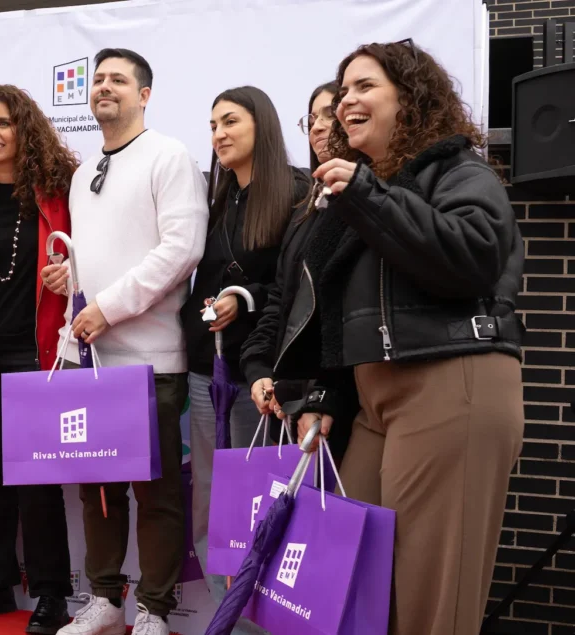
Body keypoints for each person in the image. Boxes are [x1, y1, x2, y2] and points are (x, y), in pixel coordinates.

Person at [297, 41, 523, 635]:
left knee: (430, 604)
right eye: (343, 90)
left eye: (365, 86)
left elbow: (471, 257)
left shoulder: (457, 169)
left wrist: (369, 197)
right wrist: (328, 398)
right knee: (357, 585)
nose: (348, 100)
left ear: (411, 99)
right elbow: (345, 316)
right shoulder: (370, 187)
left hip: (452, 381)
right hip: (376, 402)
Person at [43, 48, 208, 635]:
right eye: (98, 80)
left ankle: (155, 610)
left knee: (157, 493)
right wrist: (73, 279)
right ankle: (106, 600)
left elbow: (181, 251)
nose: (104, 87)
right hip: (90, 362)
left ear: (145, 95)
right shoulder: (82, 172)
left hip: (151, 360)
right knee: (98, 492)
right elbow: (97, 258)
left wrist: (107, 307)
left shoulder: (170, 156)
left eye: (119, 79)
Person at [0, 85, 78, 634]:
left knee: (39, 482)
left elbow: (95, 255)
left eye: (3, 123)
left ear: (26, 129)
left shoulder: (61, 194)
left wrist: (75, 275)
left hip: (39, 356)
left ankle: (51, 593)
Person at [180, 86, 310, 604]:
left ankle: (265, 616)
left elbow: (295, 285)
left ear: (262, 125)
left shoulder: (297, 192)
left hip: (265, 377)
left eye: (230, 121)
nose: (219, 134)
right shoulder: (215, 198)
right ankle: (223, 612)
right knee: (212, 502)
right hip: (207, 372)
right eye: (212, 126)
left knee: (261, 500)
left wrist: (243, 297)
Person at [240, 80, 359, 463]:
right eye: (311, 118)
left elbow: (344, 315)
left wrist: (323, 393)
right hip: (289, 400)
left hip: (339, 404)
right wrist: (259, 368)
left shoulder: (365, 206)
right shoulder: (308, 205)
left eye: (330, 114)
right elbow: (282, 298)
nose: (318, 127)